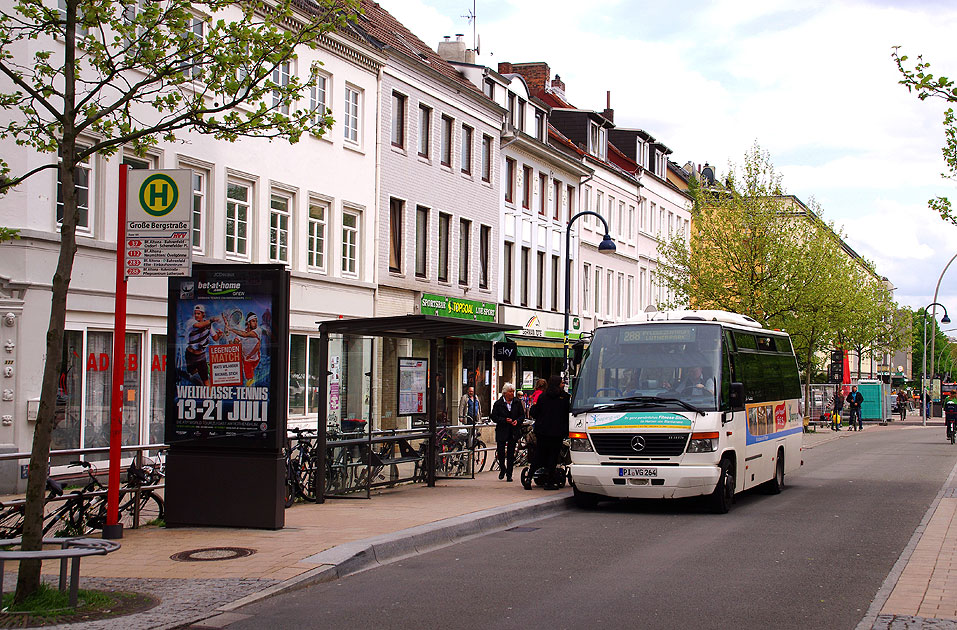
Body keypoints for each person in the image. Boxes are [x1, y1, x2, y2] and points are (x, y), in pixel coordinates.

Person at [529, 375, 570, 490]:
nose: (563, 385)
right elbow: (567, 414)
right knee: (553, 456)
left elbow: (535, 412)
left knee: (539, 454)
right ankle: (549, 481)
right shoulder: (564, 397)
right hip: (557, 432)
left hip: (542, 431)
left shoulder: (543, 396)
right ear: (558, 384)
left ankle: (529, 477)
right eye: (562, 383)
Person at [490, 383, 525, 482]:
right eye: (510, 392)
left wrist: (517, 421)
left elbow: (522, 416)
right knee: (500, 452)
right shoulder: (498, 403)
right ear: (505, 393)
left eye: (513, 392)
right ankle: (502, 468)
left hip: (513, 431)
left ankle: (509, 474)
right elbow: (494, 417)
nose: (512, 394)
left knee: (511, 453)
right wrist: (504, 420)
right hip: (502, 430)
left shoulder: (517, 403)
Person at [184, 304, 220, 386]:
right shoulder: (191, 322)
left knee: (206, 380)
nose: (196, 315)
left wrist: (219, 335)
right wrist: (212, 320)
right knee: (193, 376)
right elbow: (199, 325)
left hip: (201, 356)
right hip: (191, 355)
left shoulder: (208, 325)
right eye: (195, 313)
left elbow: (215, 338)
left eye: (198, 313)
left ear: (203, 314)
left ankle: (211, 397)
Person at [225, 311, 262, 386]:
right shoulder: (242, 332)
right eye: (253, 321)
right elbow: (234, 346)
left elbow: (247, 336)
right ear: (248, 323)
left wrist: (231, 329)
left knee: (250, 377)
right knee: (249, 379)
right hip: (246, 360)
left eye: (256, 321)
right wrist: (228, 336)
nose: (256, 323)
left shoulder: (258, 330)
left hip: (255, 359)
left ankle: (251, 389)